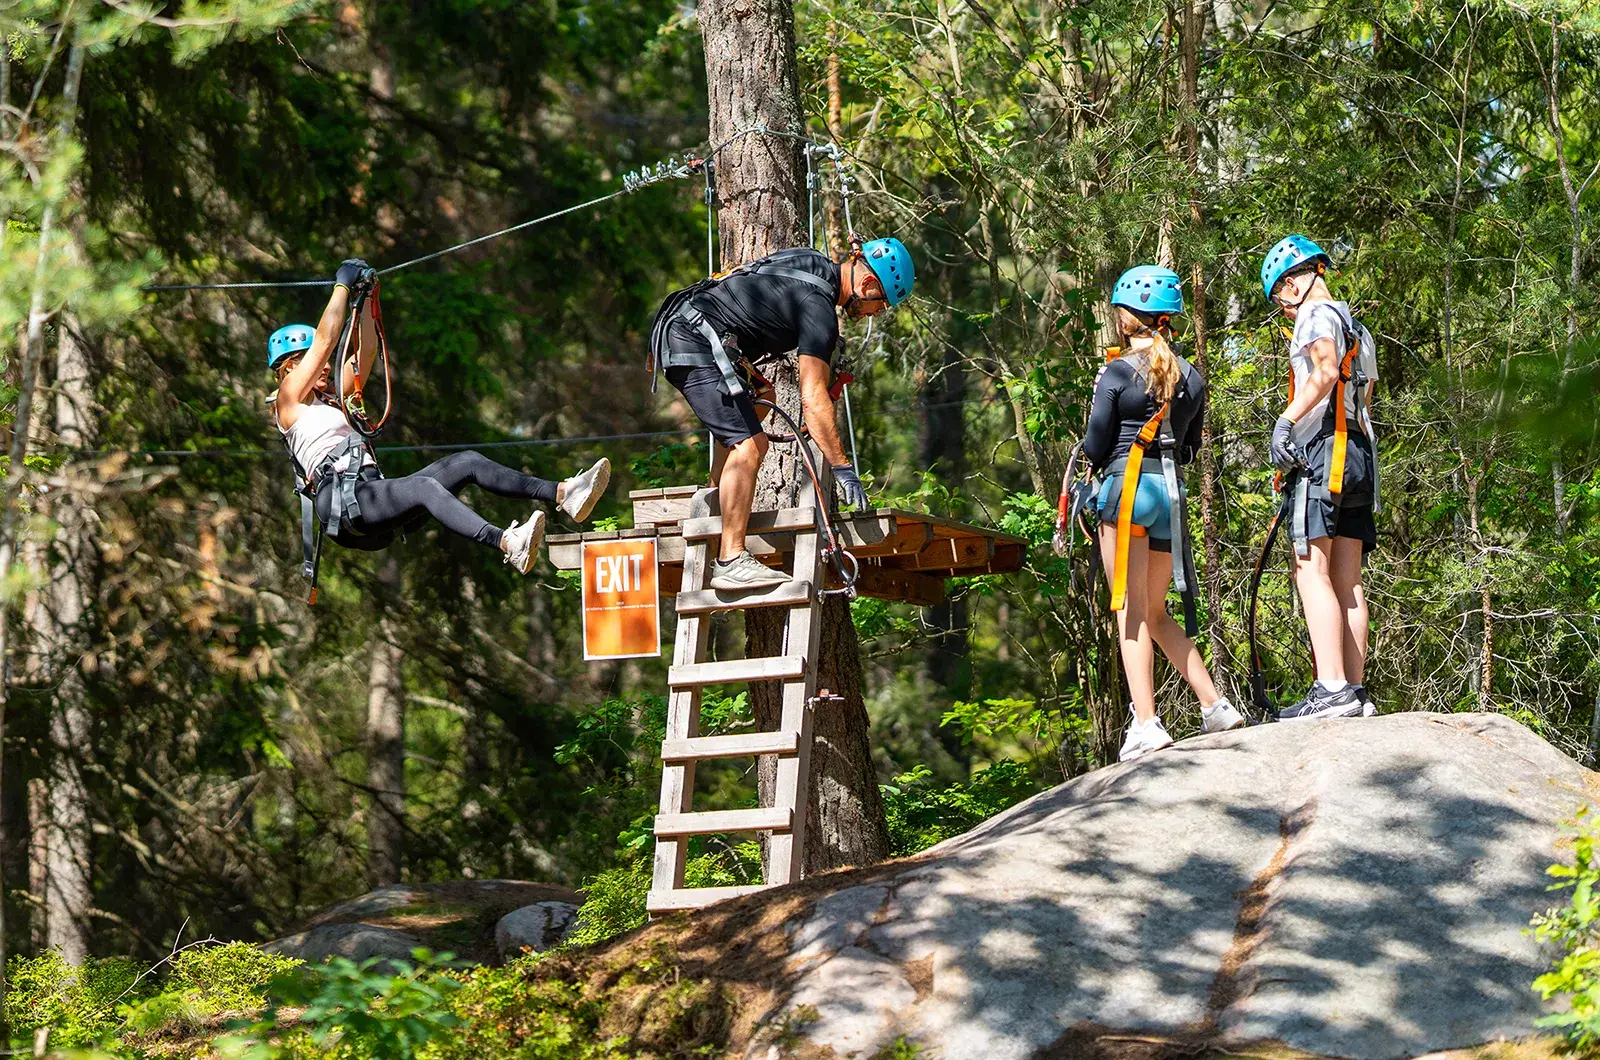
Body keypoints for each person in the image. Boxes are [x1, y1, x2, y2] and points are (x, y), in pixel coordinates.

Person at [270, 258, 610, 585]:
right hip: (344, 502)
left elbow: (366, 353)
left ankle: (564, 493)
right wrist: (341, 287)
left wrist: (371, 296)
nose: (326, 367)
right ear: (288, 369)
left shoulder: (331, 399)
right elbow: (327, 342)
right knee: (423, 487)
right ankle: (507, 543)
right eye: (310, 361)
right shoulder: (290, 402)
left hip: (367, 493)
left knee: (468, 463)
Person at [649, 239, 913, 592]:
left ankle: (715, 493)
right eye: (879, 305)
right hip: (693, 338)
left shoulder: (812, 263)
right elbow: (813, 397)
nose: (875, 314)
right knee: (751, 445)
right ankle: (730, 559)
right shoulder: (819, 309)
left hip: (691, 327)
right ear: (867, 285)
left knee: (761, 396)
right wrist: (842, 468)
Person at [1083, 265, 1244, 762]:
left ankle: (1147, 723)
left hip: (1126, 492)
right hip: (1167, 498)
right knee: (1155, 613)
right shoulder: (1191, 376)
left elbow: (1095, 444)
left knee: (1129, 614)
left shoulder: (1116, 372)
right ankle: (1214, 706)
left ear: (1130, 317)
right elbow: (1192, 446)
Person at [1260, 236, 1379, 720]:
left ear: (1293, 283)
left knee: (1310, 568)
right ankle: (1354, 691)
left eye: (1279, 301)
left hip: (1323, 454)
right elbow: (1365, 396)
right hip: (1358, 454)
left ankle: (1330, 689)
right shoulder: (1359, 327)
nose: (1284, 312)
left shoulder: (1315, 313)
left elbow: (1326, 370)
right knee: (1348, 579)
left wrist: (1287, 420)